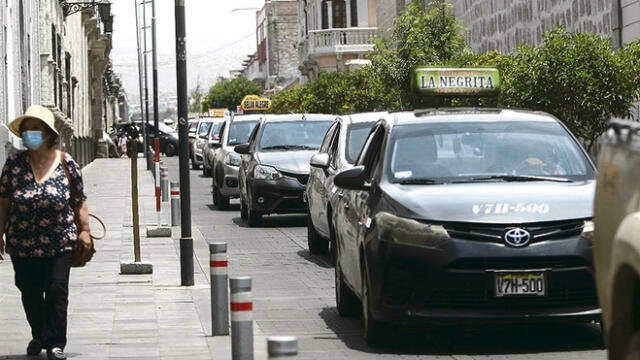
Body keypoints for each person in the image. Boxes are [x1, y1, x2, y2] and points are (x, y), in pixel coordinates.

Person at [0, 105, 90, 360]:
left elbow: (80, 200)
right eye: (27, 130)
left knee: (57, 289)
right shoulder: (14, 164)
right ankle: (39, 333)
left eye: (36, 129)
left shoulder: (66, 163)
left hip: (60, 240)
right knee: (28, 291)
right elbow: (4, 200)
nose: (30, 134)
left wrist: (84, 231)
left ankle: (54, 343)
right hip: (22, 242)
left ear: (49, 134)